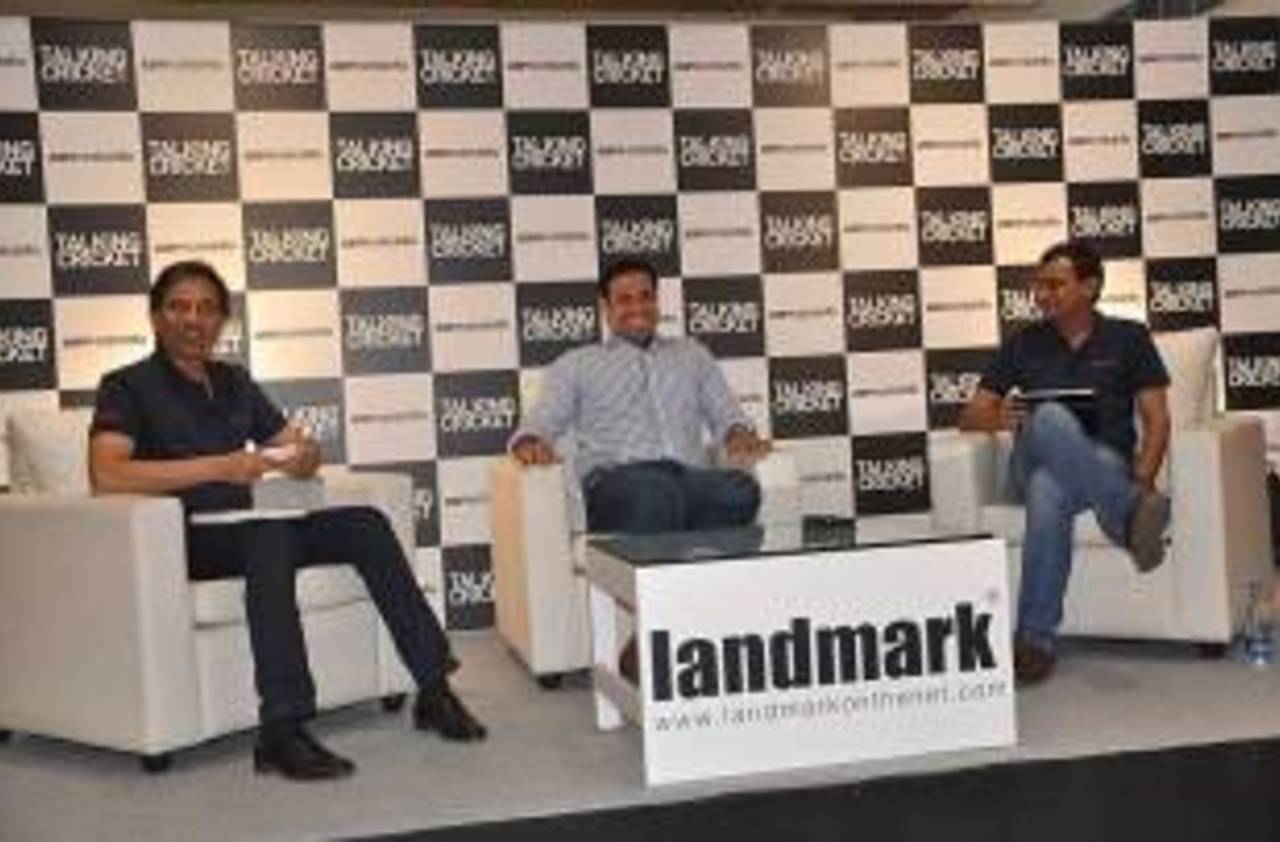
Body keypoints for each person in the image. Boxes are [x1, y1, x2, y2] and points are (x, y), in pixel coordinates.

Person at [88, 261, 486, 782]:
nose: (194, 319)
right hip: (184, 537)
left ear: (222, 321)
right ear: (156, 318)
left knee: (365, 522)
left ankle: (433, 688)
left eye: (207, 308)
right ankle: (281, 726)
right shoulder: (126, 385)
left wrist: (304, 456)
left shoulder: (233, 381)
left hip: (249, 526)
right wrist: (220, 466)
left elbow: (293, 444)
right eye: (179, 306)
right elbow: (107, 474)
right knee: (270, 533)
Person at [958, 240, 1172, 687]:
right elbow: (969, 415)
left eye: (1055, 284)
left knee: (1048, 490)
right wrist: (998, 416)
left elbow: (1157, 418)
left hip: (1104, 464)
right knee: (1051, 417)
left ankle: (1034, 641)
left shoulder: (1130, 338)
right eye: (1038, 285)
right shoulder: (1024, 343)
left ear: (1090, 286)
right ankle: (1127, 516)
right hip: (1029, 457)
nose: (1042, 294)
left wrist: (1145, 477)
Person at [509, 258, 772, 534]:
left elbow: (726, 413)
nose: (637, 308)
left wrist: (737, 433)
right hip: (617, 484)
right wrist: (530, 440)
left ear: (656, 302)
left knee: (740, 490)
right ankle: (665, 569)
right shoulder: (577, 363)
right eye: (624, 299)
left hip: (687, 477)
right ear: (606, 308)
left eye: (646, 297)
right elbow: (544, 417)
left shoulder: (692, 354)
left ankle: (687, 564)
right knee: (654, 492)